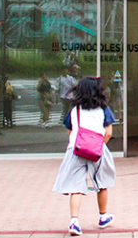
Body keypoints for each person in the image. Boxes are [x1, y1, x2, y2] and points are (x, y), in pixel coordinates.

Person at [52, 76, 116, 236]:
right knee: (102, 183)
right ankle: (103, 216)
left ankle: (74, 221)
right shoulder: (103, 109)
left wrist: (78, 143)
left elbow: (70, 130)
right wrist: (99, 144)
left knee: (75, 186)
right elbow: (108, 132)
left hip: (76, 149)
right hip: (97, 149)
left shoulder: (75, 110)